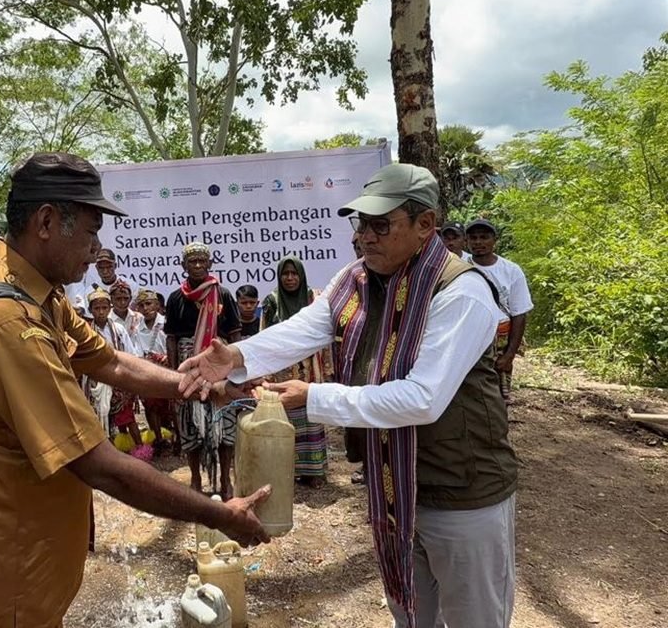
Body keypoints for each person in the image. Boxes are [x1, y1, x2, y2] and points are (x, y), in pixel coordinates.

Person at [0, 152, 270, 627]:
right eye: (92, 231)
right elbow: (100, 465)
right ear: (47, 221)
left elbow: (109, 360)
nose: (97, 248)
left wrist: (194, 385)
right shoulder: (9, 322)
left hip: (13, 566)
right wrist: (219, 513)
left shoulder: (31, 287)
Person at [179, 164, 518, 628]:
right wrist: (236, 355)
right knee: (411, 615)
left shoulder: (461, 292)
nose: (366, 237)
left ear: (425, 226)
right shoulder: (356, 280)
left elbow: (422, 399)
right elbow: (309, 327)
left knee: (474, 619)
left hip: (461, 489)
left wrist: (314, 397)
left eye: (382, 225)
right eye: (361, 224)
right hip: (395, 489)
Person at [165, 242, 242, 498]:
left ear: (209, 264)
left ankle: (224, 479)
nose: (197, 265)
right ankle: (196, 479)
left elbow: (234, 333)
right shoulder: (176, 298)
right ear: (183, 265)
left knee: (224, 420)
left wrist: (238, 367)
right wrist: (175, 372)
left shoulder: (224, 294)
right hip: (189, 367)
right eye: (192, 261)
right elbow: (172, 338)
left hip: (219, 363)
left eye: (201, 261)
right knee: (190, 423)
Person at [259, 256, 333, 488]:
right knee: (286, 421)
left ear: (301, 275)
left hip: (312, 370)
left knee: (312, 418)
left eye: (294, 273)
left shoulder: (315, 299)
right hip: (283, 372)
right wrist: (266, 371)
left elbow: (326, 334)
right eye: (285, 274)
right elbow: (264, 336)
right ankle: (286, 472)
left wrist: (328, 367)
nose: (290, 278)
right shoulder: (272, 301)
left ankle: (314, 471)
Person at [467, 219, 533, 404]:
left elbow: (519, 313)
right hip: (470, 336)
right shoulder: (459, 267)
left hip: (500, 338)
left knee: (499, 394)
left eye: (484, 237)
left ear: (494, 240)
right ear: (467, 241)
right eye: (474, 238)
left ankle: (497, 427)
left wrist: (510, 354)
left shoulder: (511, 270)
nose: (478, 242)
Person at [87, 289, 145, 451]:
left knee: (127, 417)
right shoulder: (87, 330)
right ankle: (113, 452)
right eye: (97, 308)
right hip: (97, 380)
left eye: (104, 308)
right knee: (103, 418)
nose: (101, 312)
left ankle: (141, 450)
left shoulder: (118, 329)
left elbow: (130, 353)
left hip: (118, 377)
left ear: (109, 308)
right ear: (91, 310)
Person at [134, 288, 176, 454]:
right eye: (142, 305)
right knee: (151, 406)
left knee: (172, 406)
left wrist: (166, 359)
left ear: (157, 305)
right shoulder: (138, 329)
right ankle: (159, 439)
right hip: (149, 370)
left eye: (149, 303)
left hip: (168, 368)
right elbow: (137, 351)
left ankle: (178, 440)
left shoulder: (166, 323)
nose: (146, 308)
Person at [65, 247, 138, 312]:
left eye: (109, 267)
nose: (105, 271)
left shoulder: (130, 286)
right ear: (96, 268)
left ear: (115, 266)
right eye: (101, 268)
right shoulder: (91, 291)